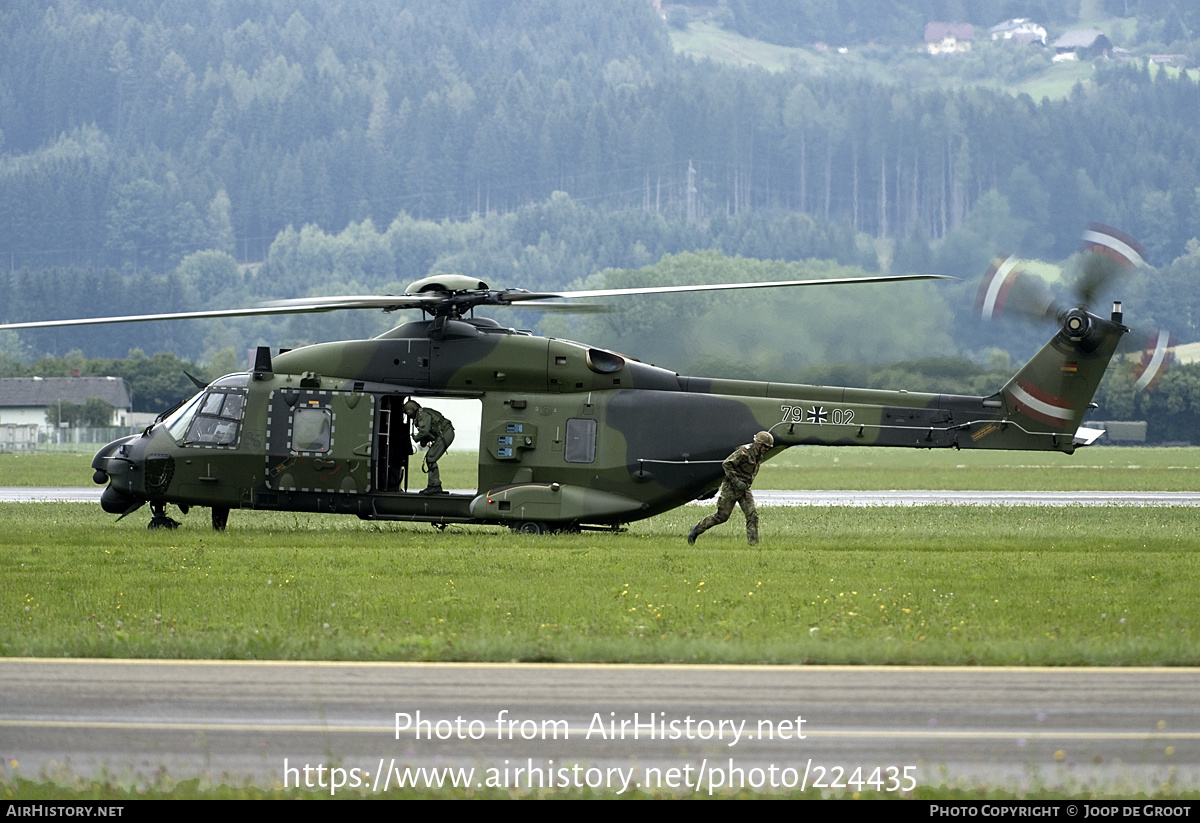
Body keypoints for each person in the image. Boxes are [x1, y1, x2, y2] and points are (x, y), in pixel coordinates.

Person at [688, 430, 774, 545]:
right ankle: (696, 529)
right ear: (759, 444)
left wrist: (744, 484)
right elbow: (726, 464)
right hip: (731, 488)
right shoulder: (744, 451)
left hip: (744, 490)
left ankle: (754, 545)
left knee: (752, 516)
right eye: (765, 446)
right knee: (721, 517)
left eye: (768, 447)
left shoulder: (759, 455)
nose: (766, 449)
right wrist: (736, 481)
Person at [403, 400, 455, 495]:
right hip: (446, 433)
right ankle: (434, 485)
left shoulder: (422, 414)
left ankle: (434, 486)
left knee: (431, 458)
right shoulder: (423, 413)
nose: (408, 415)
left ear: (411, 410)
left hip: (445, 434)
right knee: (430, 458)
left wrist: (415, 438)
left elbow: (425, 432)